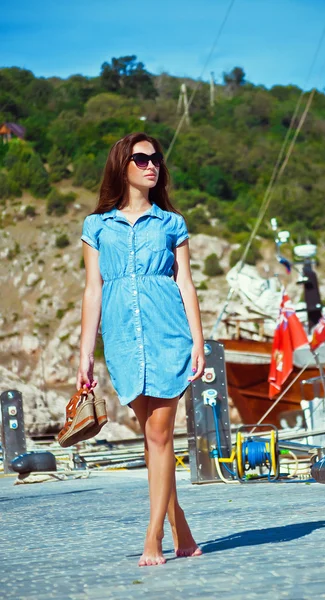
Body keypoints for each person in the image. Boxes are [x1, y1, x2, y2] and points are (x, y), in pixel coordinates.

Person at [76, 132, 205, 567]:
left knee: (160, 434)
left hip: (169, 333)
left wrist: (199, 340)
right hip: (123, 338)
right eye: (142, 158)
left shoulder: (172, 223)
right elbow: (92, 290)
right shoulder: (97, 227)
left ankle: (154, 537)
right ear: (122, 166)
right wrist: (84, 355)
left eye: (156, 159)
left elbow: (185, 283)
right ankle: (178, 521)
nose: (152, 165)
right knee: (151, 439)